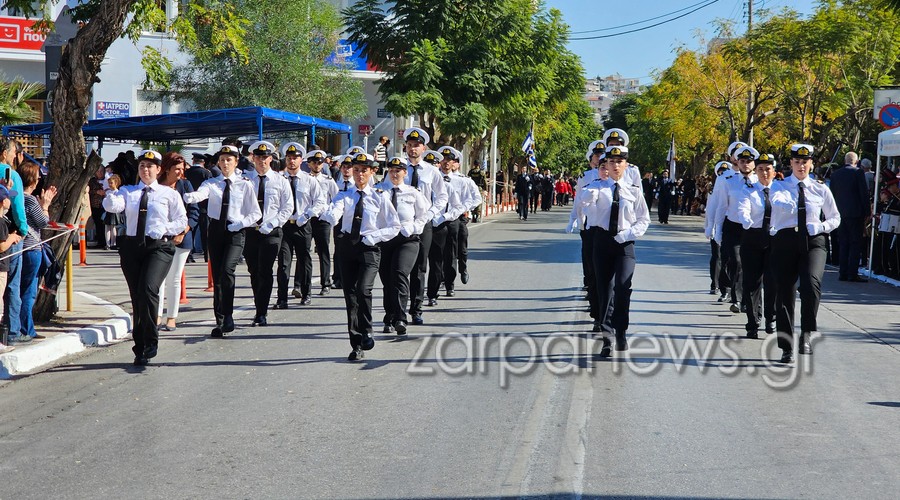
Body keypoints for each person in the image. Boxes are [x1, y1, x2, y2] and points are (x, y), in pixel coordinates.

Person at [103, 150, 188, 366]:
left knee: (149, 289)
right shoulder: (128, 191)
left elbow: (181, 221)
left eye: (150, 166)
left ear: (159, 170)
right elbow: (113, 207)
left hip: (159, 246)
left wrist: (165, 228)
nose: (146, 170)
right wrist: (110, 189)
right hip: (132, 246)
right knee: (137, 296)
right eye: (142, 166)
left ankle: (151, 340)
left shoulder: (169, 194)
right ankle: (139, 346)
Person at [320, 153, 401, 361]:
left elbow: (394, 226)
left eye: (364, 170)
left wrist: (374, 237)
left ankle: (367, 330)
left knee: (364, 289)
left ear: (372, 172)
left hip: (369, 248)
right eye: (356, 170)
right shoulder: (344, 195)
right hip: (348, 247)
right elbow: (335, 211)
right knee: (351, 296)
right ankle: (356, 344)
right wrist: (329, 215)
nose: (359, 174)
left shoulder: (380, 196)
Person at [571, 146, 650, 356]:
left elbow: (644, 219)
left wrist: (628, 234)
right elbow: (583, 203)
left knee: (623, 287)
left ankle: (621, 329)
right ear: (605, 165)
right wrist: (586, 199)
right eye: (611, 162)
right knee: (605, 289)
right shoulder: (596, 187)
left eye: (619, 162)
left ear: (626, 165)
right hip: (602, 241)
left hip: (624, 243)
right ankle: (607, 337)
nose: (615, 166)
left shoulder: (634, 190)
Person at [770, 144, 841, 364]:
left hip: (813, 241)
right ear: (791, 163)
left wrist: (819, 227)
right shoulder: (779, 186)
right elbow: (777, 202)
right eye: (797, 162)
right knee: (785, 292)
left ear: (811, 163)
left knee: (811, 285)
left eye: (805, 162)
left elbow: (835, 218)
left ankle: (807, 334)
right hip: (786, 240)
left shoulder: (821, 188)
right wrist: (791, 205)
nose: (801, 166)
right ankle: (786, 346)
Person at [183, 145, 262, 338]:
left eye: (229, 160)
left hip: (235, 232)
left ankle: (228, 315)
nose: (225, 163)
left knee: (227, 271)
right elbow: (201, 195)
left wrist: (241, 224)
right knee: (217, 277)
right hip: (216, 230)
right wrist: (188, 196)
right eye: (222, 160)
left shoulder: (245, 184)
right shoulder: (212, 183)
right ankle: (221, 320)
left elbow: (255, 213)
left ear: (236, 162)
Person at [241, 140, 293, 327]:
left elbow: (287, 208)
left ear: (270, 159)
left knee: (265, 270)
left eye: (265, 157)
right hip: (250, 231)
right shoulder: (245, 180)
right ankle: (258, 304)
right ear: (253, 158)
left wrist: (272, 223)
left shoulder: (281, 181)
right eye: (258, 157)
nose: (262, 161)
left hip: (271, 232)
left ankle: (261, 312)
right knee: (254, 271)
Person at [376, 156, 429, 334]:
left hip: (407, 239)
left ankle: (400, 317)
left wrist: (413, 227)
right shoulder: (379, 191)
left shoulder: (413, 192)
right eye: (391, 170)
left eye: (398, 170)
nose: (394, 174)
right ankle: (389, 315)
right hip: (385, 240)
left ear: (405, 173)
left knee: (399, 273)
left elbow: (423, 215)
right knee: (386, 279)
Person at [402, 127, 448, 325]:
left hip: (424, 224)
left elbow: (442, 196)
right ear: (406, 147)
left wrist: (430, 214)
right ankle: (397, 310)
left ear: (423, 148)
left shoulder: (432, 171)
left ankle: (416, 308)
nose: (413, 149)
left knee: (420, 267)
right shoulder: (397, 168)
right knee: (400, 268)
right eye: (410, 145)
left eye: (417, 146)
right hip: (402, 224)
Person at [275, 143, 326, 308]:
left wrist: (307, 214)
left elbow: (319, 201)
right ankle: (281, 297)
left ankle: (306, 293)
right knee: (284, 262)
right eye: (289, 158)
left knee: (305, 260)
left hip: (303, 225)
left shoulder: (308, 179)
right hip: (284, 225)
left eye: (295, 158)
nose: (291, 161)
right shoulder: (279, 179)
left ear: (301, 160)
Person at [156, 153, 199, 332]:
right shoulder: (157, 186)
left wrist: (183, 231)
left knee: (174, 278)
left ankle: (171, 317)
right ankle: (156, 316)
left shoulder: (185, 185)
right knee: (158, 279)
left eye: (183, 169)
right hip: (159, 238)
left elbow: (194, 212)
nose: (181, 173)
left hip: (182, 239)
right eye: (177, 169)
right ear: (167, 169)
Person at [736, 153, 778, 339]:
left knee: (773, 281)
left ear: (774, 172)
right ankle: (753, 322)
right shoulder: (749, 190)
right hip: (752, 238)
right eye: (760, 169)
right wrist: (747, 221)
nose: (764, 173)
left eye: (768, 169)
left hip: (774, 239)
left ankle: (771, 317)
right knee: (751, 283)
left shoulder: (781, 191)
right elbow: (742, 209)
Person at [714, 145, 759, 313]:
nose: (745, 164)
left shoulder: (759, 182)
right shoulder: (729, 181)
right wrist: (717, 230)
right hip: (732, 227)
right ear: (737, 162)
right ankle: (737, 298)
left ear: (754, 164)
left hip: (752, 229)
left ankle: (748, 299)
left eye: (749, 161)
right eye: (742, 161)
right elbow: (721, 207)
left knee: (750, 266)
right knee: (736, 262)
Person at [18, 161, 57, 341]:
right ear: (33, 181)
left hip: (19, 248)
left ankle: (17, 325)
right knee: (29, 291)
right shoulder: (30, 200)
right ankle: (26, 329)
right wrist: (46, 205)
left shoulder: (16, 198)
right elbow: (43, 222)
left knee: (17, 289)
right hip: (32, 248)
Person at [0, 137, 28, 346]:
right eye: (11, 152)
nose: (13, 156)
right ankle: (12, 330)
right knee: (11, 284)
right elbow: (18, 208)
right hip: (9, 232)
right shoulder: (12, 175)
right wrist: (23, 230)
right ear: (4, 153)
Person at [829, 151, 871, 282]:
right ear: (856, 161)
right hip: (855, 213)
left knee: (843, 243)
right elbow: (863, 193)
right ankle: (852, 273)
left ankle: (843, 272)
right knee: (855, 243)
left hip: (840, 213)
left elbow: (832, 195)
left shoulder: (835, 175)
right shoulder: (858, 173)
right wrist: (867, 212)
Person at [307, 149, 339, 295]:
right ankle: (300, 284)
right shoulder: (305, 179)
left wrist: (329, 213)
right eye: (314, 162)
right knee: (304, 251)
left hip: (322, 219)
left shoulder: (328, 180)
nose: (317, 165)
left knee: (323, 251)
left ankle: (325, 282)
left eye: (319, 163)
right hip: (306, 218)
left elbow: (336, 198)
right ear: (309, 164)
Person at [0, 184, 20, 353]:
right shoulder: (1, 223)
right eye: (7, 197)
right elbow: (1, 246)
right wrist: (12, 237)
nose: (10, 200)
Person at [186, 152, 213, 261]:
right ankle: (207, 256)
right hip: (204, 207)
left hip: (190, 206)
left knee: (189, 232)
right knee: (205, 233)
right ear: (203, 162)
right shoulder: (206, 173)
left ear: (193, 161)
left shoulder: (187, 172)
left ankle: (188, 256)